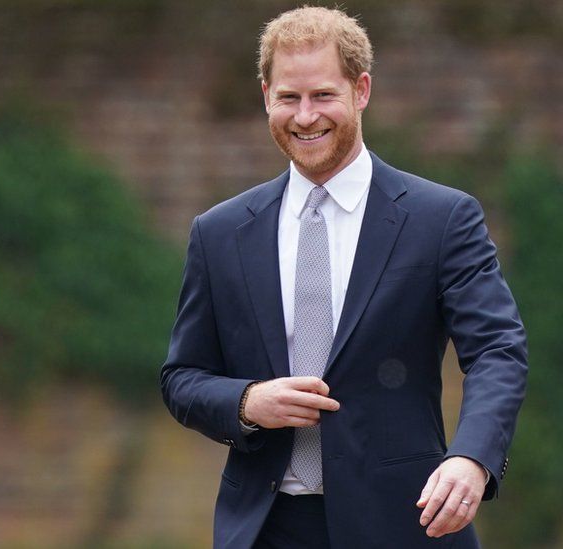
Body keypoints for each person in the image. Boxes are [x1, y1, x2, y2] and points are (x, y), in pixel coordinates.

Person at [160, 6, 526, 548]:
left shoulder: (441, 218)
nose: (305, 117)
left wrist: (472, 458)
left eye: (323, 95)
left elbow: (497, 349)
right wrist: (246, 402)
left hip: (406, 523)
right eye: (288, 98)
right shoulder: (219, 232)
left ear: (362, 90)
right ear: (266, 96)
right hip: (263, 528)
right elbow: (182, 378)